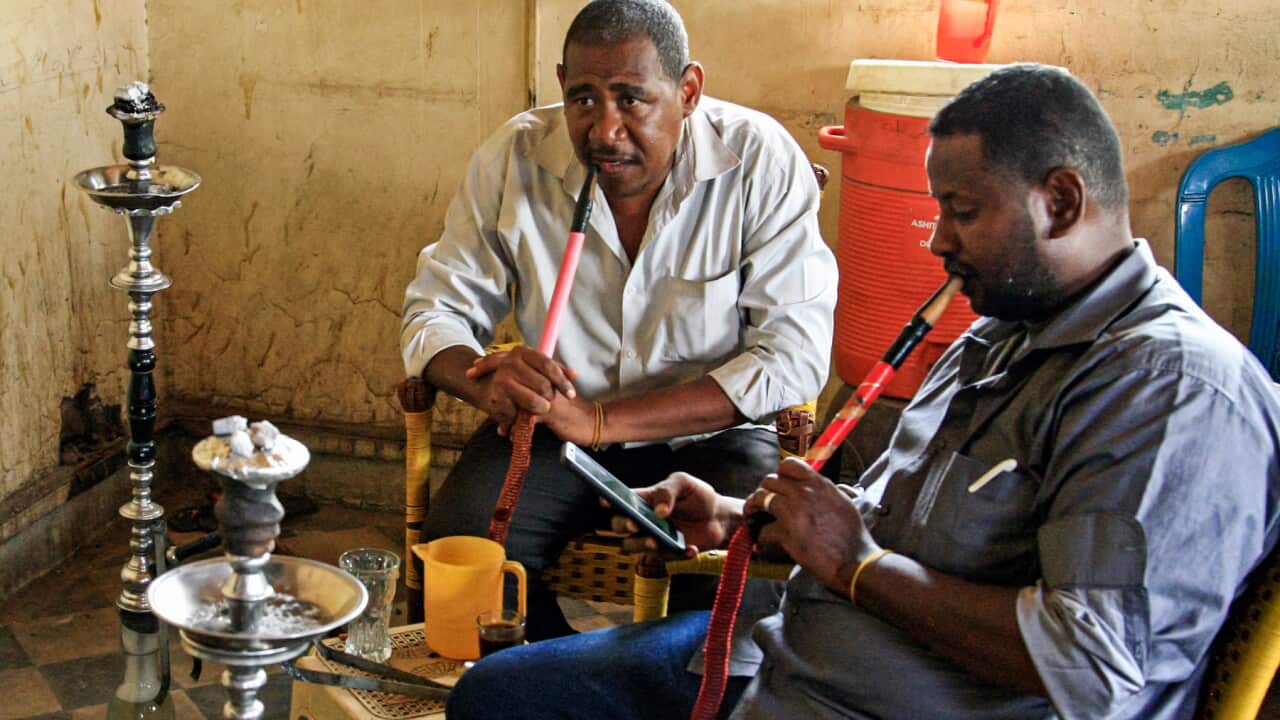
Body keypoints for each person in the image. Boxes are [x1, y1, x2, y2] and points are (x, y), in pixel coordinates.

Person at [446, 64, 1280, 719]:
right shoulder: (998, 338)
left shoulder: (1169, 390)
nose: (939, 240)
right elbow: (900, 527)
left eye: (960, 211)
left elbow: (1089, 666)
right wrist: (751, 524)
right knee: (495, 694)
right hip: (797, 660)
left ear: (1059, 200)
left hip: (873, 700)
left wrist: (852, 562)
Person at [400, 0, 836, 641]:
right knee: (464, 562)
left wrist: (604, 422)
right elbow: (432, 311)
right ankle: (559, 689)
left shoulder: (759, 159)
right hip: (553, 431)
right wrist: (484, 382)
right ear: (559, 87)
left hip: (711, 438)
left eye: (632, 100)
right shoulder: (516, 156)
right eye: (583, 99)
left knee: (730, 593)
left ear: (688, 90)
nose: (604, 131)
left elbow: (793, 355)